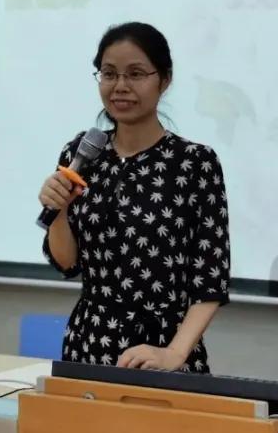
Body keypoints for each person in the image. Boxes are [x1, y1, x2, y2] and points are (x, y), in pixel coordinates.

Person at [39, 22, 230, 372]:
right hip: (89, 342)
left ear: (164, 79)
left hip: (164, 349)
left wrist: (174, 354)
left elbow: (210, 280)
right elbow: (68, 263)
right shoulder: (81, 153)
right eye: (109, 74)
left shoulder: (194, 162)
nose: (120, 86)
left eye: (136, 74)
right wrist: (60, 211)